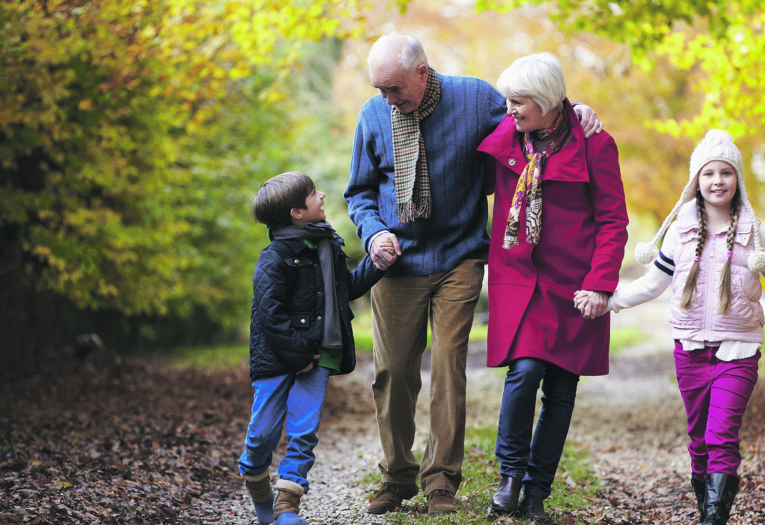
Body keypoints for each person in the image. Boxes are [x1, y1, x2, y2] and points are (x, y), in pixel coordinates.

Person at [345, 33, 604, 515]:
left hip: (460, 256)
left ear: (422, 73)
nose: (388, 99)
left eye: (395, 88)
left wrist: (575, 110)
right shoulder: (373, 116)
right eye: (380, 89)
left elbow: (535, 120)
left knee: (448, 366)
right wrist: (374, 232)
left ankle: (441, 481)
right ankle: (397, 476)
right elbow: (359, 192)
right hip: (396, 262)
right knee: (393, 372)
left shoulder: (476, 98)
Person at [593, 129, 765, 525]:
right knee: (699, 441)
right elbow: (653, 284)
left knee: (721, 436)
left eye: (726, 172)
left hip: (738, 353)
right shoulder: (679, 232)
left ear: (738, 179)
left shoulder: (756, 235)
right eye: (708, 173)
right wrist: (609, 301)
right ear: (696, 181)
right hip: (690, 352)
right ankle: (707, 502)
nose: (717, 181)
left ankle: (714, 518)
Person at [476, 52, 629, 521]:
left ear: (545, 102)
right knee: (524, 373)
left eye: (519, 101)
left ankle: (536, 494)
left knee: (562, 388)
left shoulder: (595, 144)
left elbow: (613, 221)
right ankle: (509, 478)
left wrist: (600, 284)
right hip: (520, 279)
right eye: (508, 100)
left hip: (575, 285)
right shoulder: (508, 134)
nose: (509, 109)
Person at [239, 172, 395, 525]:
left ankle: (286, 508)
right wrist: (298, 355)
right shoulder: (274, 257)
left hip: (321, 352)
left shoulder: (327, 245)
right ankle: (259, 488)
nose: (322, 195)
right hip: (278, 358)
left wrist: (376, 264)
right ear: (296, 212)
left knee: (303, 431)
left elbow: (343, 290)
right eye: (313, 193)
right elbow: (269, 314)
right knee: (262, 434)